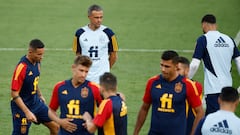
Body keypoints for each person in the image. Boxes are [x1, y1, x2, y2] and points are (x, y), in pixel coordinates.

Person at [133, 50, 204, 135]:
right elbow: (144, 108)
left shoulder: (187, 85)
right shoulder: (152, 82)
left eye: (167, 66)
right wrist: (135, 132)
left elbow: (200, 112)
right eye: (161, 65)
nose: (163, 69)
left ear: (176, 66)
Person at [188, 14, 240, 115]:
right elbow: (238, 61)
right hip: (228, 91)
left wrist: (185, 79)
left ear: (204, 24)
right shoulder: (229, 39)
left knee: (213, 122)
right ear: (215, 25)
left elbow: (194, 64)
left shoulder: (203, 39)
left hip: (213, 91)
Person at [10, 39, 59, 135]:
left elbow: (33, 81)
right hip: (21, 108)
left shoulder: (37, 63)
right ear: (30, 52)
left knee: (56, 126)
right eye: (39, 54)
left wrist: (40, 95)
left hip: (35, 102)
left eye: (42, 54)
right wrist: (27, 112)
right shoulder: (22, 67)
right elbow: (14, 93)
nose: (42, 57)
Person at [48, 55, 102, 135]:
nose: (84, 75)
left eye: (86, 71)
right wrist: (60, 121)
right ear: (73, 68)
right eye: (81, 70)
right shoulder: (60, 87)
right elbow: (51, 110)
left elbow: (105, 109)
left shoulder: (94, 88)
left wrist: (93, 123)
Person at [72, 4, 119, 84]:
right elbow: (78, 56)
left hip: (102, 79)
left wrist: (106, 69)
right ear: (89, 17)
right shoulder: (80, 33)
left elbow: (113, 56)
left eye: (101, 17)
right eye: (96, 17)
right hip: (86, 78)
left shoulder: (108, 33)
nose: (99, 20)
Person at [178, 56, 203, 135]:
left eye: (178, 69)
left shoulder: (195, 86)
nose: (175, 72)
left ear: (187, 70)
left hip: (188, 126)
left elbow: (199, 112)